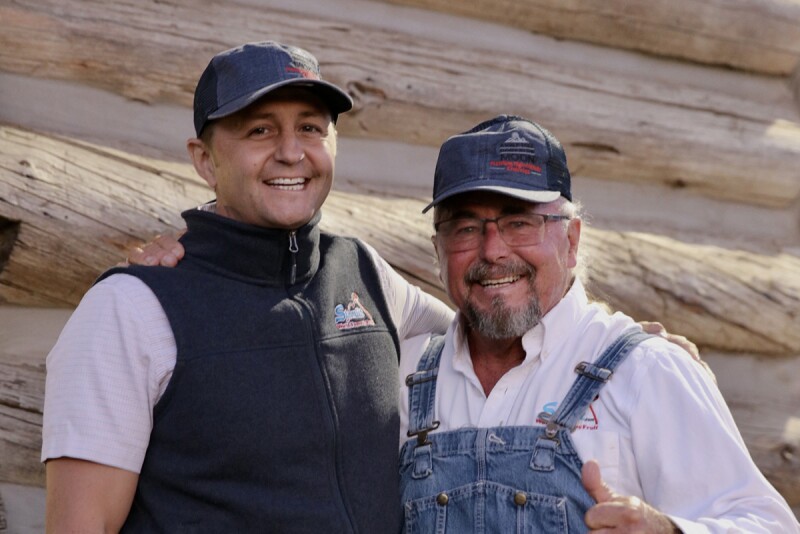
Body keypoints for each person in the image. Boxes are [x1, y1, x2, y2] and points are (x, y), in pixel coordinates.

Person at [41, 41, 454, 533]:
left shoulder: (366, 274)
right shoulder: (127, 309)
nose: (290, 152)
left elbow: (486, 340)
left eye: (310, 128)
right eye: (260, 130)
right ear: (205, 160)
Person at [395, 115, 799, 532]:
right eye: (465, 228)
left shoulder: (646, 370)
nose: (493, 250)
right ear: (438, 252)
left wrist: (667, 530)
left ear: (571, 241)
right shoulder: (405, 377)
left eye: (520, 222)